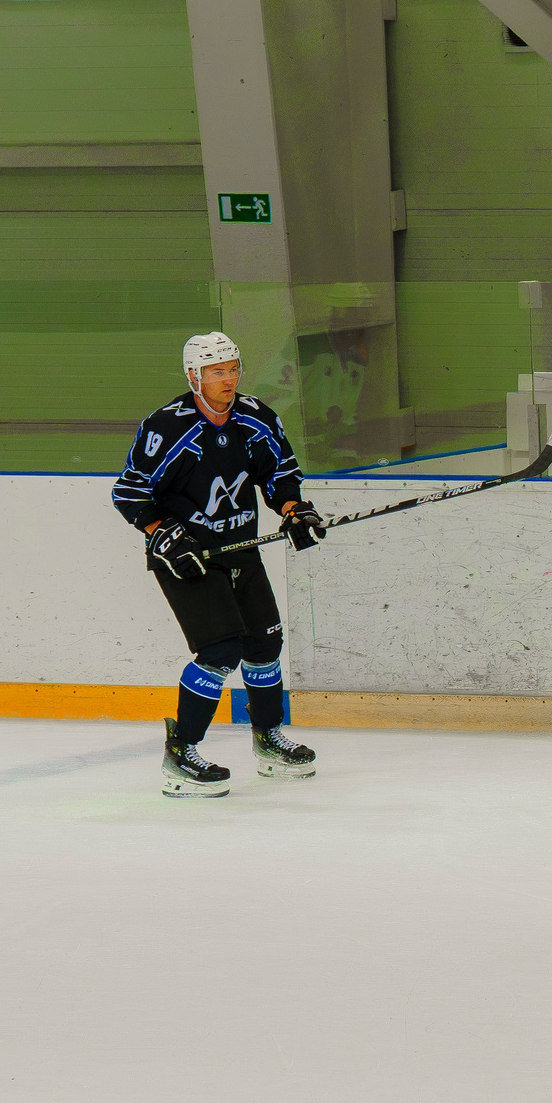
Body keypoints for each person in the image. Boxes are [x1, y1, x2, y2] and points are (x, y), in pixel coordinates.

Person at [111, 332, 326, 797]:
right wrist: (160, 532)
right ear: (194, 376)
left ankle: (268, 739)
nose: (228, 379)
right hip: (187, 558)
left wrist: (293, 509)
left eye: (232, 369)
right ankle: (181, 752)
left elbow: (279, 474)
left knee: (265, 644)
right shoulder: (167, 427)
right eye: (217, 371)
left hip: (239, 549)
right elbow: (129, 493)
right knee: (221, 651)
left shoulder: (255, 417)